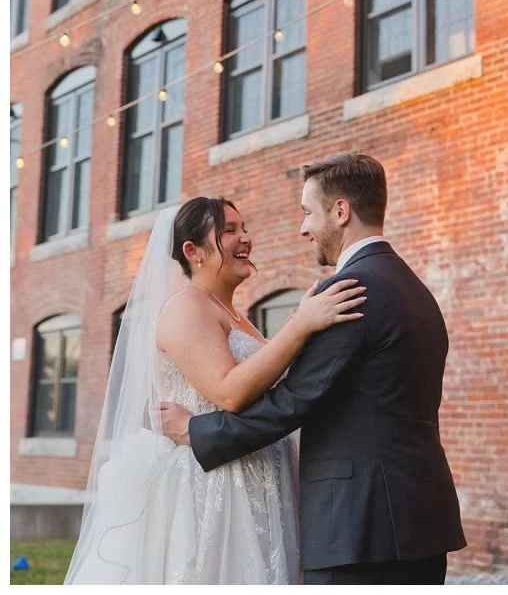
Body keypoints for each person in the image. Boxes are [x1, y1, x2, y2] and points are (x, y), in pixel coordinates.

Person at [160, 154, 467, 585]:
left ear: (341, 212)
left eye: (307, 212)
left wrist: (196, 431)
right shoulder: (412, 287)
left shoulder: (350, 290)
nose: (303, 228)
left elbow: (292, 401)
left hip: (361, 526)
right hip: (416, 518)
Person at [65, 197, 366, 584]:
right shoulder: (186, 306)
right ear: (192, 251)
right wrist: (298, 329)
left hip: (262, 476)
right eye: (229, 230)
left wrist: (299, 335)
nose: (246, 238)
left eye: (244, 228)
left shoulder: (236, 316)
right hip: (216, 484)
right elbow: (228, 392)